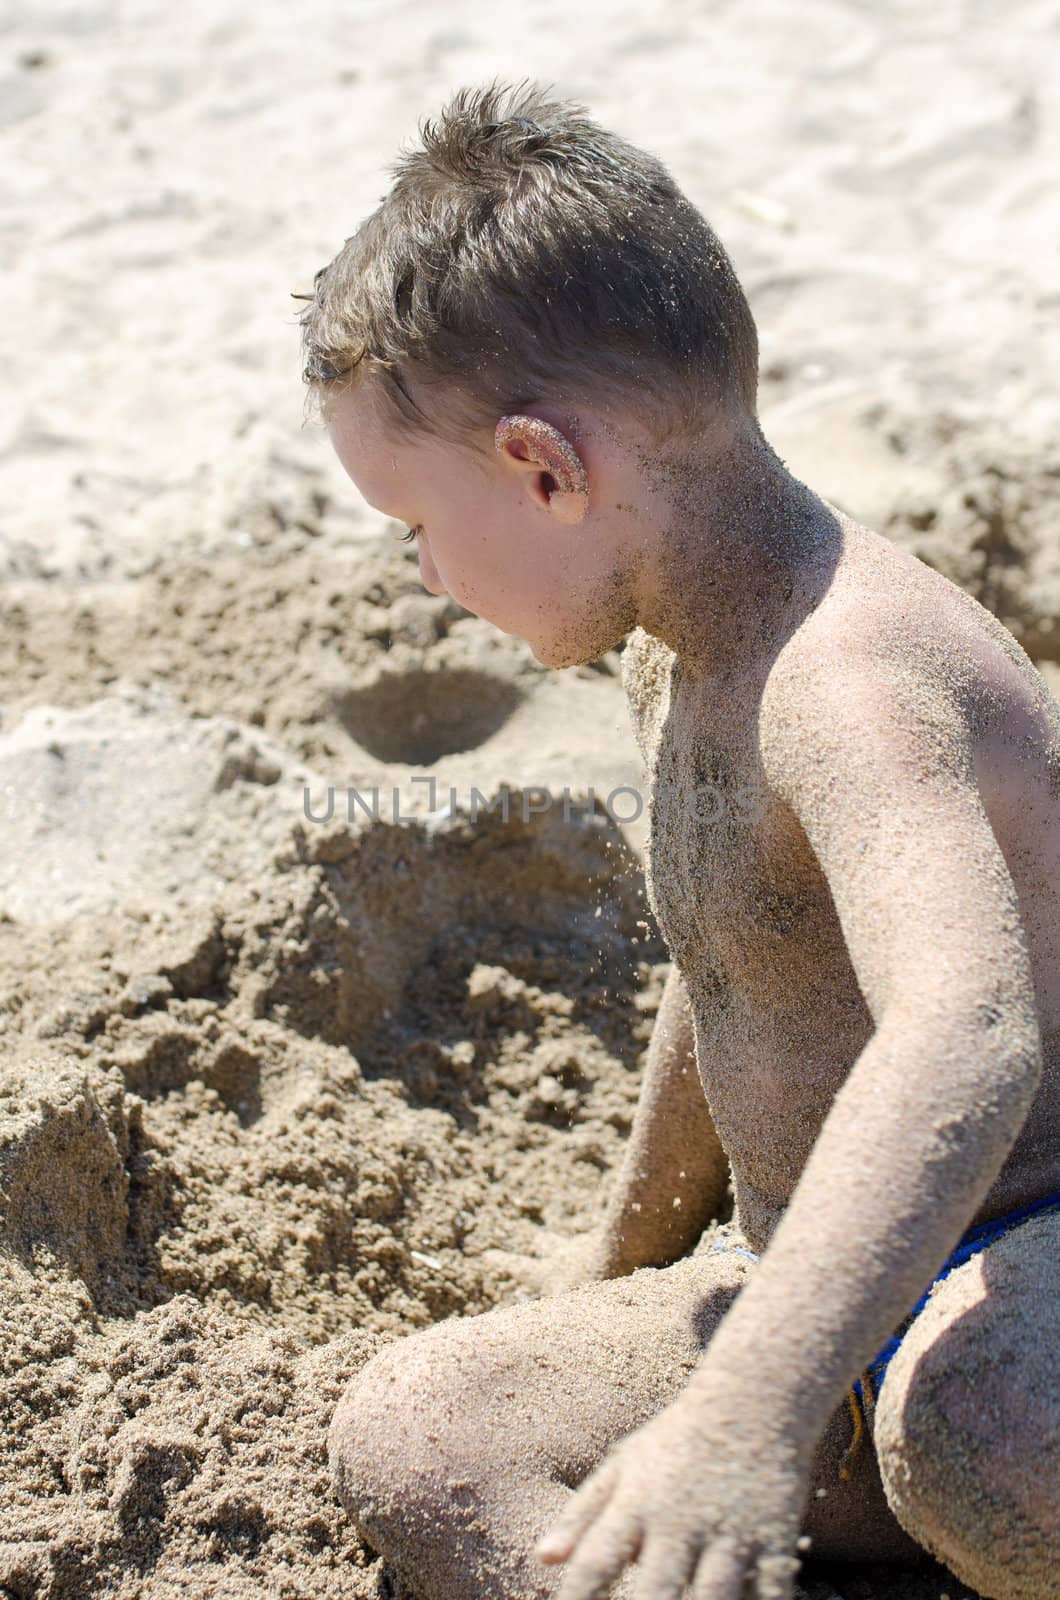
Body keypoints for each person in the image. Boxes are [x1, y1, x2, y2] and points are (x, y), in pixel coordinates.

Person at [298, 80, 1060, 1600]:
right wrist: (621, 1261)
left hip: (1026, 1272)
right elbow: (735, 963)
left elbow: (966, 1028)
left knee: (987, 1440)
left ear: (545, 468)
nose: (429, 578)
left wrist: (741, 1412)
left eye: (418, 528)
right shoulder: (677, 644)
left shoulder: (847, 679)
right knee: (426, 1436)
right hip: (837, 1300)